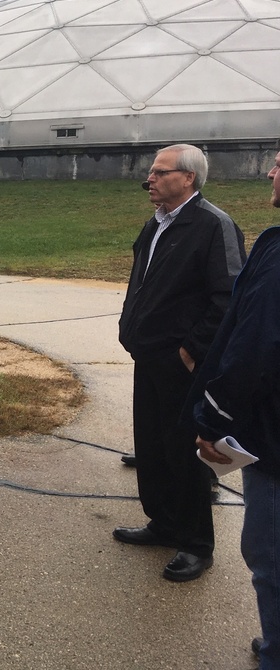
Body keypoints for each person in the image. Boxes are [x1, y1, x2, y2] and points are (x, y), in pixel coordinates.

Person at [115, 143, 245, 582]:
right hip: (148, 356)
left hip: (182, 364)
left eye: (158, 172)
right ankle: (163, 522)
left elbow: (227, 296)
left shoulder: (212, 225)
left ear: (188, 178)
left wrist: (191, 351)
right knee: (151, 445)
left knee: (183, 453)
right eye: (150, 173)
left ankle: (195, 544)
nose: (148, 179)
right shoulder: (156, 224)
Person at [193, 148, 280, 668]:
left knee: (270, 555)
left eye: (279, 164)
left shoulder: (274, 250)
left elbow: (252, 346)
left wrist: (213, 421)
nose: (271, 172)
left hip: (271, 436)